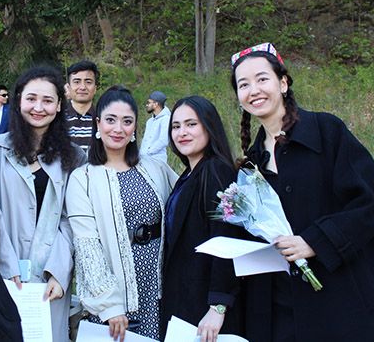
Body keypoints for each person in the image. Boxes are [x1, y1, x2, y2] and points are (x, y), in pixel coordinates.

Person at [230, 42, 374, 342]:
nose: (254, 90)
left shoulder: (326, 130)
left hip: (342, 306)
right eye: (244, 84)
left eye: (262, 79)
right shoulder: (251, 163)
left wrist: (316, 241)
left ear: (283, 83)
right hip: (280, 313)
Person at [0, 66, 86, 342]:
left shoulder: (74, 157)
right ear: (18, 101)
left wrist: (59, 273)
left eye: (48, 100)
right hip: (1, 275)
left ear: (59, 105)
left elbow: (72, 220)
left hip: (49, 280)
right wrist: (6, 265)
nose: (39, 108)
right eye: (31, 99)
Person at [66, 86, 177, 341]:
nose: (118, 129)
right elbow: (87, 245)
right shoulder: (83, 178)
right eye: (111, 120)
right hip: (115, 291)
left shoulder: (155, 168)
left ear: (135, 127)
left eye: (127, 121)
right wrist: (109, 305)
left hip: (158, 286)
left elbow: (183, 203)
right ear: (98, 123)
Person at [160, 96, 244, 342]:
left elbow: (227, 239)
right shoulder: (189, 173)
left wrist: (218, 305)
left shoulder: (216, 171)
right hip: (184, 294)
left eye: (191, 124)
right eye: (176, 126)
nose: (182, 133)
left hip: (205, 305)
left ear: (209, 127)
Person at [64, 60, 98, 153]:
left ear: (95, 89)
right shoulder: (57, 118)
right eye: (77, 82)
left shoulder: (102, 120)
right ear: (68, 87)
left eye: (88, 82)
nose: (82, 87)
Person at [140, 91, 171, 164]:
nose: (147, 105)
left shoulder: (166, 119)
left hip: (157, 161)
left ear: (156, 104)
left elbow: (163, 141)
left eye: (149, 103)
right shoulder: (149, 121)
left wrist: (148, 152)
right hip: (144, 160)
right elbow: (145, 140)